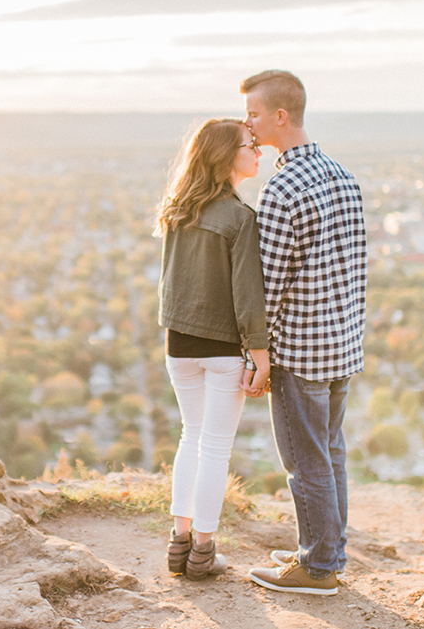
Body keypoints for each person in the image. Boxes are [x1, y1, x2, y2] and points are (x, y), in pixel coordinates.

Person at [242, 70, 367, 596]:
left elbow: (269, 285)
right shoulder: (341, 175)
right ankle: (325, 551)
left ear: (279, 116)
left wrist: (258, 356)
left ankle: (317, 569)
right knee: (330, 452)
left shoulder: (282, 188)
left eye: (252, 113)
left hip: (300, 350)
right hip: (341, 345)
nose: (245, 123)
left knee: (305, 461)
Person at [155, 118, 272, 581]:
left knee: (191, 436)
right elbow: (248, 296)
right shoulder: (239, 219)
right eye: (251, 145)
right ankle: (203, 551)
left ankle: (177, 541)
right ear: (227, 156)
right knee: (216, 448)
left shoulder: (177, 211)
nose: (259, 153)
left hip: (178, 345)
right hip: (223, 346)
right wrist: (259, 355)